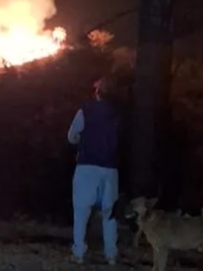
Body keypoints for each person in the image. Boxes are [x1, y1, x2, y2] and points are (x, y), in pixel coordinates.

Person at [67, 76, 121, 265]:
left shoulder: (86, 110)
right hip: (110, 170)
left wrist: (81, 142)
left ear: (97, 92)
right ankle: (111, 255)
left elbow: (72, 135)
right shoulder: (117, 114)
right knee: (109, 214)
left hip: (87, 167)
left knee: (81, 212)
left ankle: (79, 252)